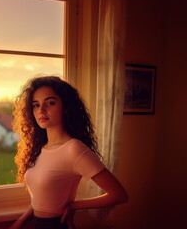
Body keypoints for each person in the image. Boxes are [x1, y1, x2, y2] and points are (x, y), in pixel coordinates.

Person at [10, 76, 128, 229]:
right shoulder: (38, 148)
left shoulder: (74, 149)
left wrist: (74, 206)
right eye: (36, 105)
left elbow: (119, 195)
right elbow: (41, 199)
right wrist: (20, 222)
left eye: (50, 103)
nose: (41, 110)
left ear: (66, 107)